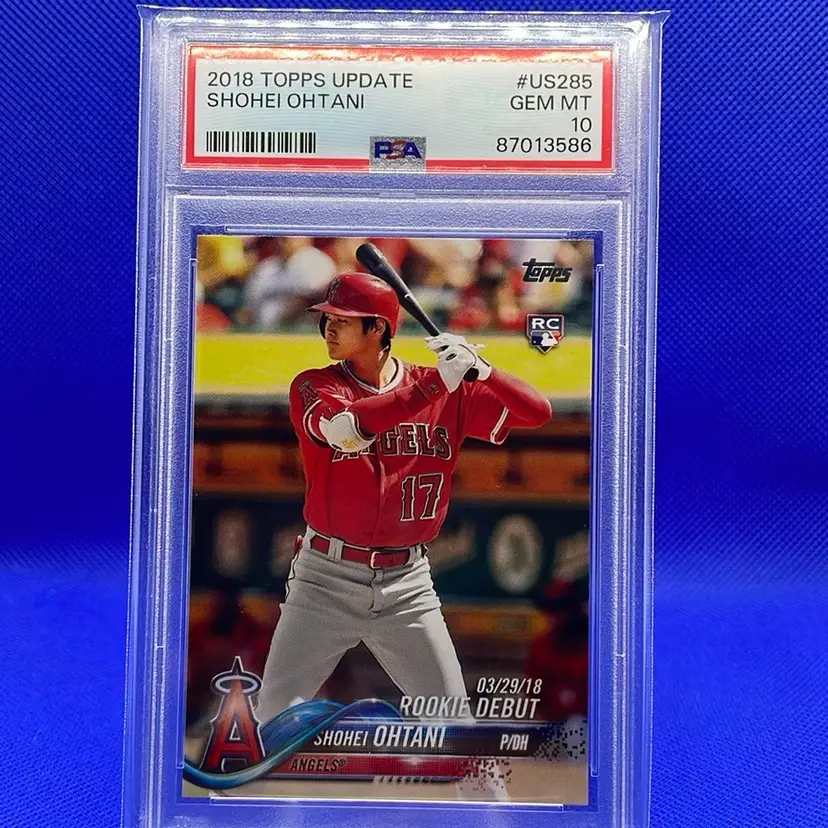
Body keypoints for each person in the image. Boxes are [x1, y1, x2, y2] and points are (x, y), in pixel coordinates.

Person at [256, 273, 552, 792]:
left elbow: (538, 412)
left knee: (457, 729)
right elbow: (347, 431)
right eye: (328, 318)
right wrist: (438, 384)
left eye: (343, 320)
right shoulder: (315, 385)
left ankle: (495, 820)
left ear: (379, 329)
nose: (328, 327)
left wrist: (484, 371)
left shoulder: (448, 389)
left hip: (407, 585)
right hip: (325, 580)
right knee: (270, 722)